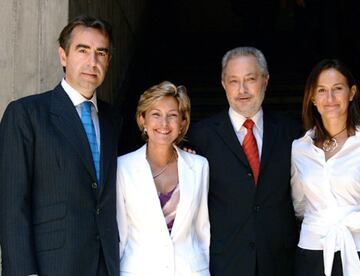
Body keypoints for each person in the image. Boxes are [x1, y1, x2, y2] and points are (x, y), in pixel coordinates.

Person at [0, 15, 121, 275]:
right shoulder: (26, 114)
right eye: (83, 50)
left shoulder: (115, 120)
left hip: (107, 265)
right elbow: (11, 204)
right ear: (63, 56)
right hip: (52, 266)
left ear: (108, 61)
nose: (93, 62)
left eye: (101, 53)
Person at [188, 46, 302, 275]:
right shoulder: (200, 137)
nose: (242, 90)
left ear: (265, 81)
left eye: (250, 79)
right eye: (233, 81)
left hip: (280, 263)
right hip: (226, 262)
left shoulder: (292, 133)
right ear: (223, 85)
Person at [291, 59, 360, 276]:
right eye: (322, 91)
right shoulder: (300, 148)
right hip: (313, 250)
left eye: (338, 89)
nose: (330, 98)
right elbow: (300, 203)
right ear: (313, 98)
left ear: (351, 93)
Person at [116, 81, 210, 276]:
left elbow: (203, 231)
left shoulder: (199, 166)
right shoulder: (122, 168)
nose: (164, 124)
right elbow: (120, 235)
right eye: (156, 114)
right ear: (143, 120)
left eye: (172, 116)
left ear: (182, 122)